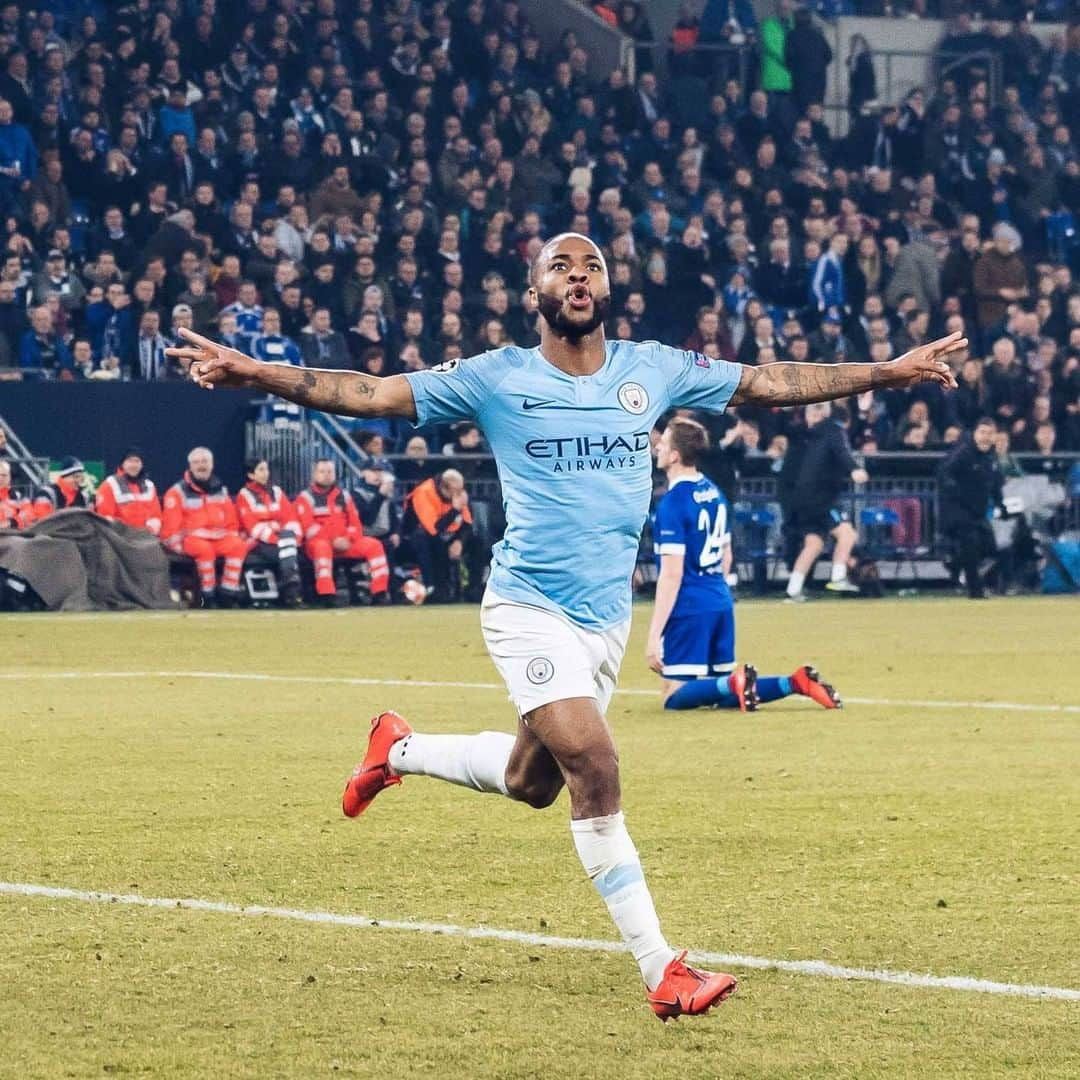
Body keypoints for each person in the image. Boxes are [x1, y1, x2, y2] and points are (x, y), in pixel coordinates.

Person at [168, 232, 962, 1021]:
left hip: (603, 621)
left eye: (592, 267)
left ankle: (397, 749)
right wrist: (254, 371)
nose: (578, 276)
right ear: (534, 291)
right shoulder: (495, 377)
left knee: (533, 782)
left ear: (607, 290)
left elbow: (769, 382)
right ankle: (664, 970)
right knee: (595, 763)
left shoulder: (652, 368)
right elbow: (371, 393)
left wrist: (886, 372)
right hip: (527, 606)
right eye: (560, 266)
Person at [646, 417, 842, 712]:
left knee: (674, 695)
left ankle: (735, 682)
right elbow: (726, 556)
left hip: (689, 604)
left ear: (674, 455)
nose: (658, 444)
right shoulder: (713, 492)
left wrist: (653, 636)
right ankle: (795, 683)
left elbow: (671, 575)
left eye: (665, 441)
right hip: (719, 599)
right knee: (721, 692)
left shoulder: (673, 503)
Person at [782, 402, 868, 602]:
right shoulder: (834, 429)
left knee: (814, 544)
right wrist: (855, 469)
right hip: (820, 497)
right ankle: (838, 577)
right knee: (848, 535)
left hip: (799, 499)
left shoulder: (806, 435)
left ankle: (793, 589)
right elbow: (842, 452)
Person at [161, 446, 253, 607]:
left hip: (219, 536)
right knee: (204, 551)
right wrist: (176, 545)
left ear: (212, 465)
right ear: (190, 466)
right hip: (190, 539)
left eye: (205, 462)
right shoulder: (177, 492)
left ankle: (228, 593)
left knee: (238, 546)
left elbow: (231, 519)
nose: (201, 466)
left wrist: (233, 534)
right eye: (197, 462)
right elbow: (171, 526)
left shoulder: (220, 489)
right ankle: (207, 596)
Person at [294, 459, 390, 604]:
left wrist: (348, 539)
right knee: (322, 547)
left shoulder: (344, 496)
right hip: (317, 544)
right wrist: (334, 540)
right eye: (322, 471)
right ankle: (326, 594)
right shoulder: (305, 498)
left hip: (345, 543)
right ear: (314, 475)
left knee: (374, 545)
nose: (326, 475)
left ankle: (379, 592)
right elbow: (310, 528)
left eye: (330, 471)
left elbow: (355, 524)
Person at [938, 417, 1003, 600]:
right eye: (982, 432)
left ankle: (955, 565)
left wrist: (1001, 504)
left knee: (991, 549)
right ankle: (976, 591)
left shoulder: (991, 457)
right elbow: (944, 472)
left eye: (989, 433)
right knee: (972, 545)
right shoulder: (963, 452)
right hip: (957, 510)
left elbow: (995, 484)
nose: (985, 437)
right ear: (974, 434)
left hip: (977, 511)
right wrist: (953, 489)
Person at [402, 468, 481, 602]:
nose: (462, 494)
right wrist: (455, 510)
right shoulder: (424, 492)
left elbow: (467, 523)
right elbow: (433, 529)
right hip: (421, 539)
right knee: (425, 540)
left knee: (478, 542)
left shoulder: (458, 495)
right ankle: (432, 588)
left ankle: (473, 589)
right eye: (457, 491)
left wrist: (459, 542)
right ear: (446, 488)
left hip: (449, 536)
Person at [235, 458, 302, 606]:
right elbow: (252, 527)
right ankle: (291, 594)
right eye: (261, 470)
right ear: (251, 475)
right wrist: (279, 540)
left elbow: (290, 517)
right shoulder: (244, 495)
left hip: (284, 540)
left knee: (289, 550)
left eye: (266, 469)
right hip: (259, 543)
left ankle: (290, 590)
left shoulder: (277, 492)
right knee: (289, 552)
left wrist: (293, 538)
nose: (266, 473)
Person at [94, 447, 163, 535]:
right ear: (122, 464)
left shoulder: (150, 486)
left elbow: (156, 516)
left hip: (145, 540)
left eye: (137, 461)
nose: (133, 465)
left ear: (142, 465)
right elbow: (105, 518)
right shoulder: (109, 485)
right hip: (119, 540)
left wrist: (148, 532)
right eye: (129, 461)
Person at [0, 458, 31, 528]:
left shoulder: (18, 496)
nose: (1, 478)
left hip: (12, 534)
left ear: (9, 477)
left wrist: (12, 522)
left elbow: (29, 513)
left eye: (4, 475)